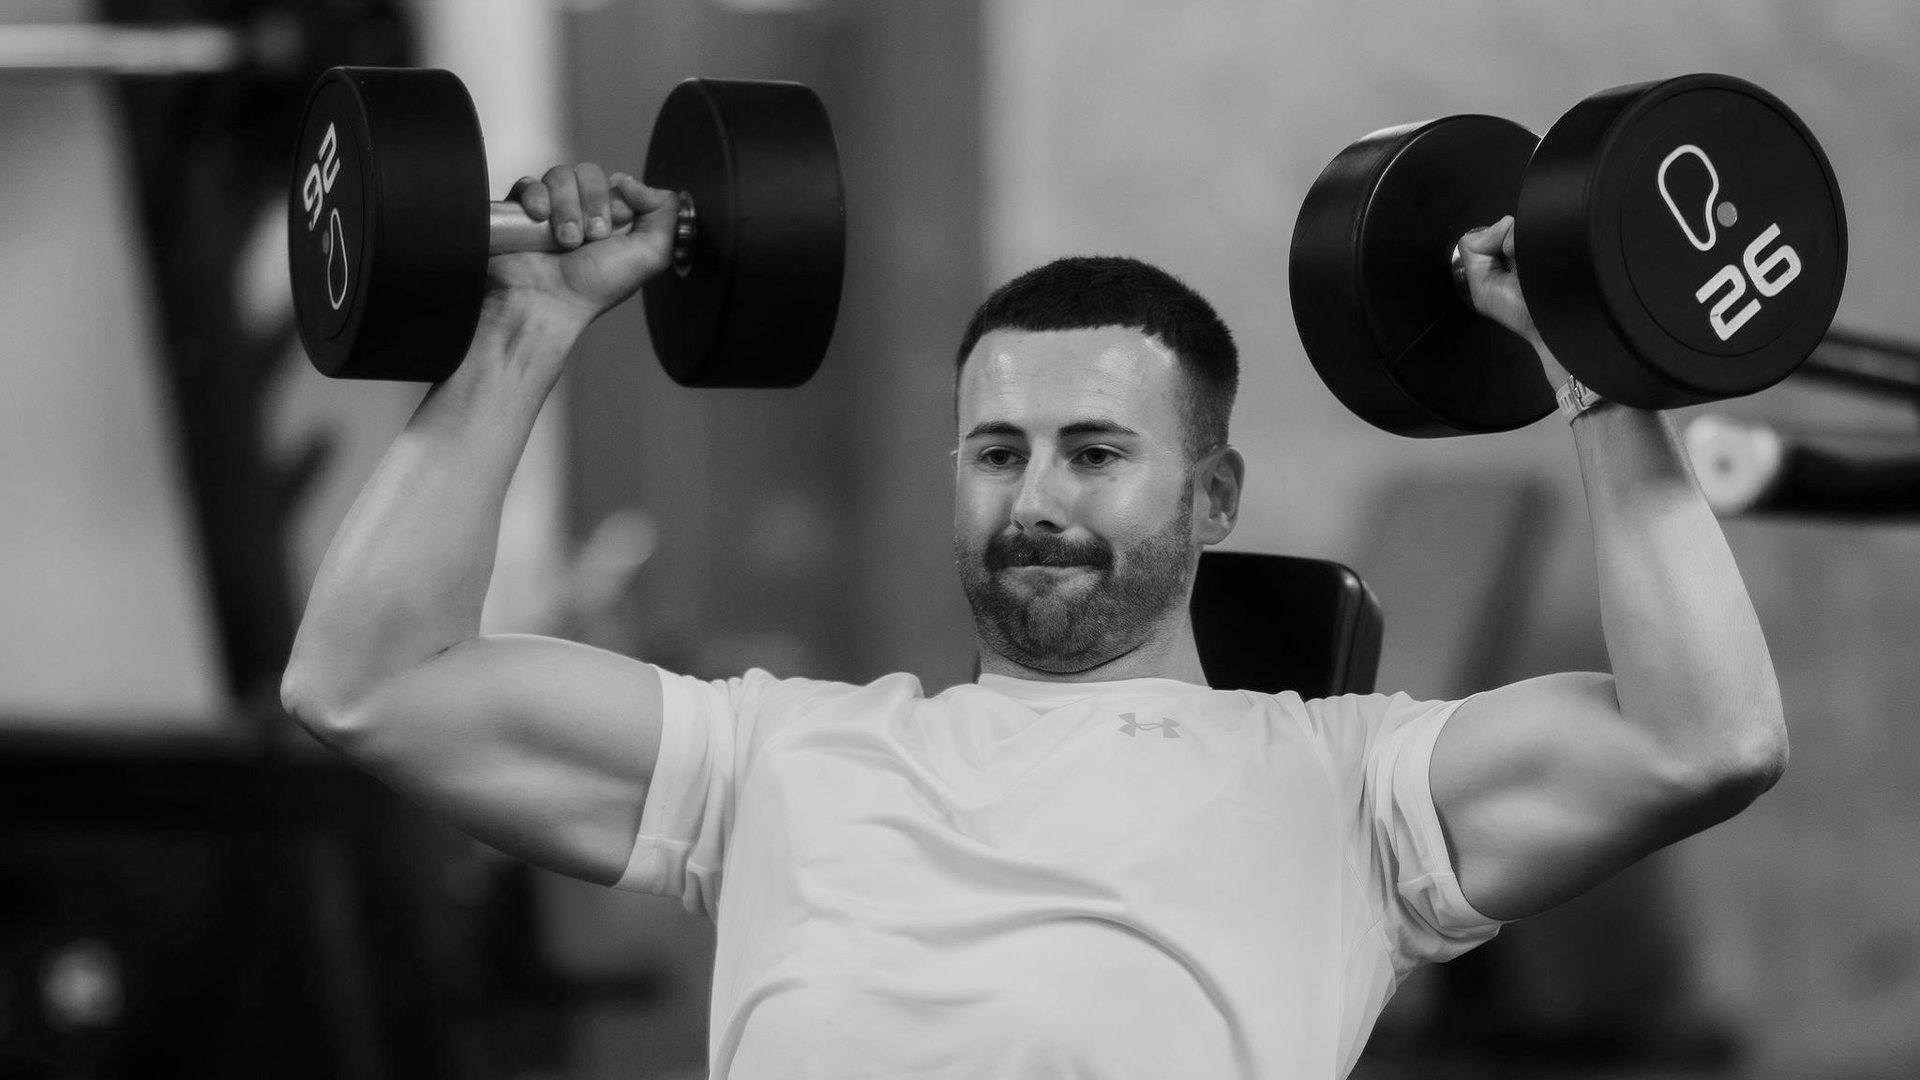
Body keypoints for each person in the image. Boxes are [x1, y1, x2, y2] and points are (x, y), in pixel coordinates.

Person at [282, 163, 1787, 1079]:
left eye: (1097, 450)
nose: (1037, 496)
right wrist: (528, 326)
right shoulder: (779, 755)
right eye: (998, 453)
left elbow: (1700, 738)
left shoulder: (1342, 789)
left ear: (1214, 497)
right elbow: (369, 685)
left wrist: (1602, 372)